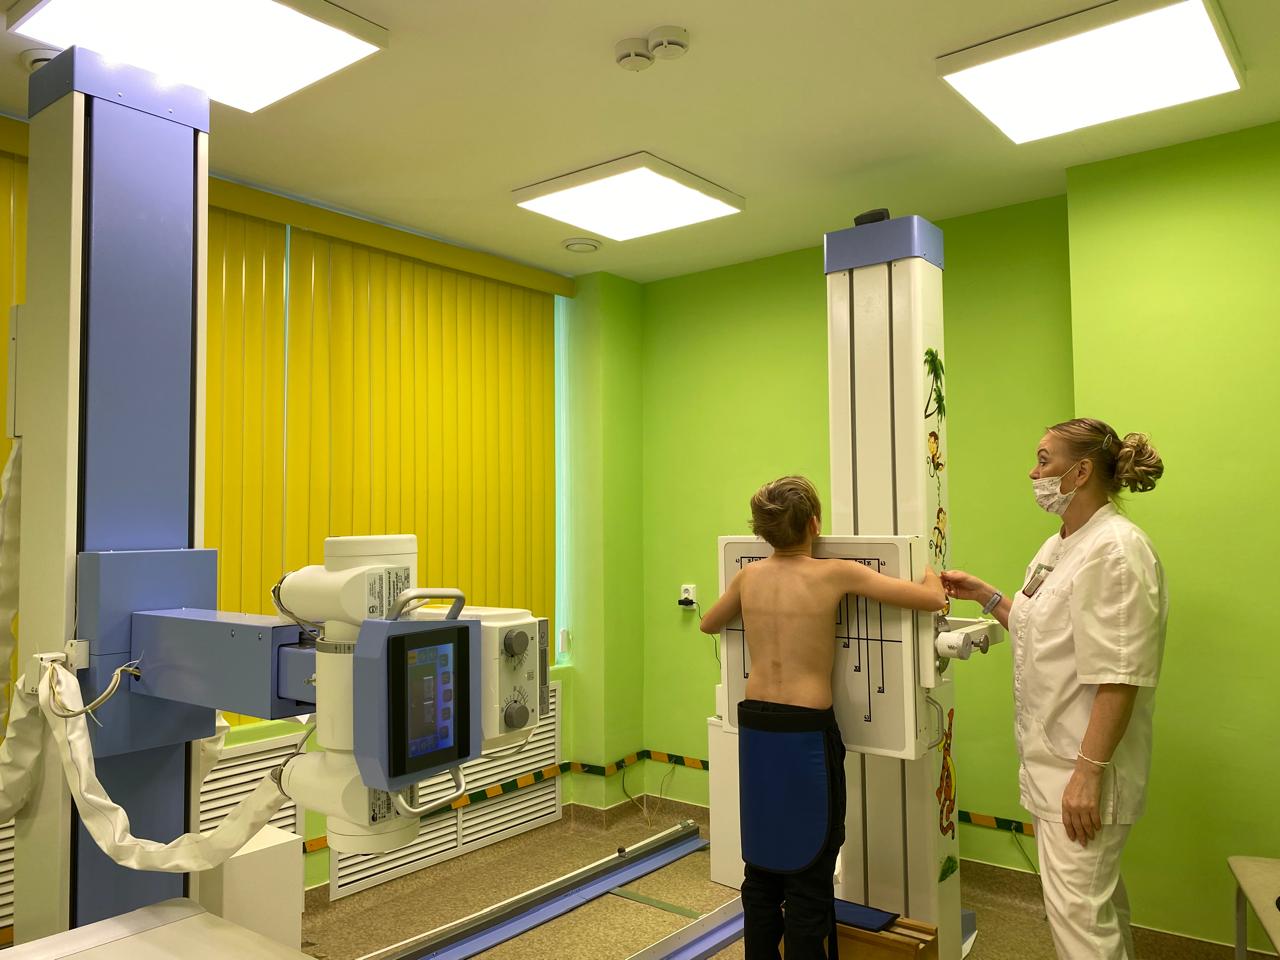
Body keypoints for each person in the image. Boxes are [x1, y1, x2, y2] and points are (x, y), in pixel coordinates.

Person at [942, 418, 1167, 960]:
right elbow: (1039, 627)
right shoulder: (1061, 544)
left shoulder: (1115, 550)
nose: (1033, 472)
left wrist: (1087, 775)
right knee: (1096, 911)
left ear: (1081, 471)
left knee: (1079, 924)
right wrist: (986, 595)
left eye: (1044, 460)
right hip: (1057, 764)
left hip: (1082, 772)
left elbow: (1119, 675)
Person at [700, 476, 946, 960]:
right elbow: (931, 599)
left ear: (762, 532)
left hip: (757, 728)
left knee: (762, 862)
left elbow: (709, 622)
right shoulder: (834, 573)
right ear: (814, 524)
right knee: (810, 865)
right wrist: (933, 573)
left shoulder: (748, 577)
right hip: (805, 732)